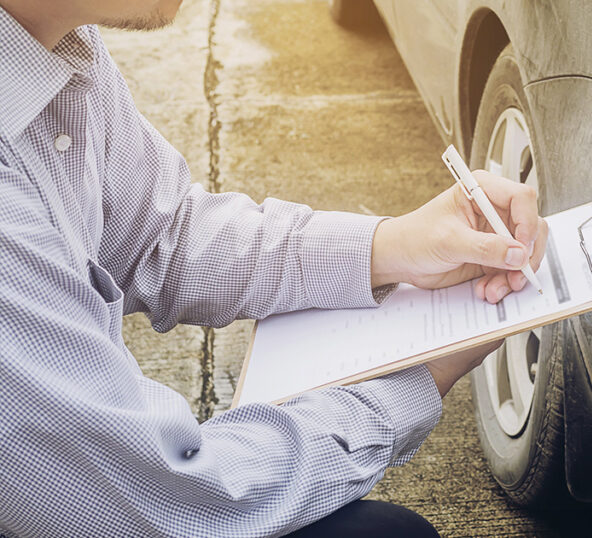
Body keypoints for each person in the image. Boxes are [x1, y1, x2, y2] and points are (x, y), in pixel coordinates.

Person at [0, 0, 548, 535]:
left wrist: (392, 246)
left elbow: (163, 236)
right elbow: (170, 501)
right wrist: (415, 378)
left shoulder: (58, 49)